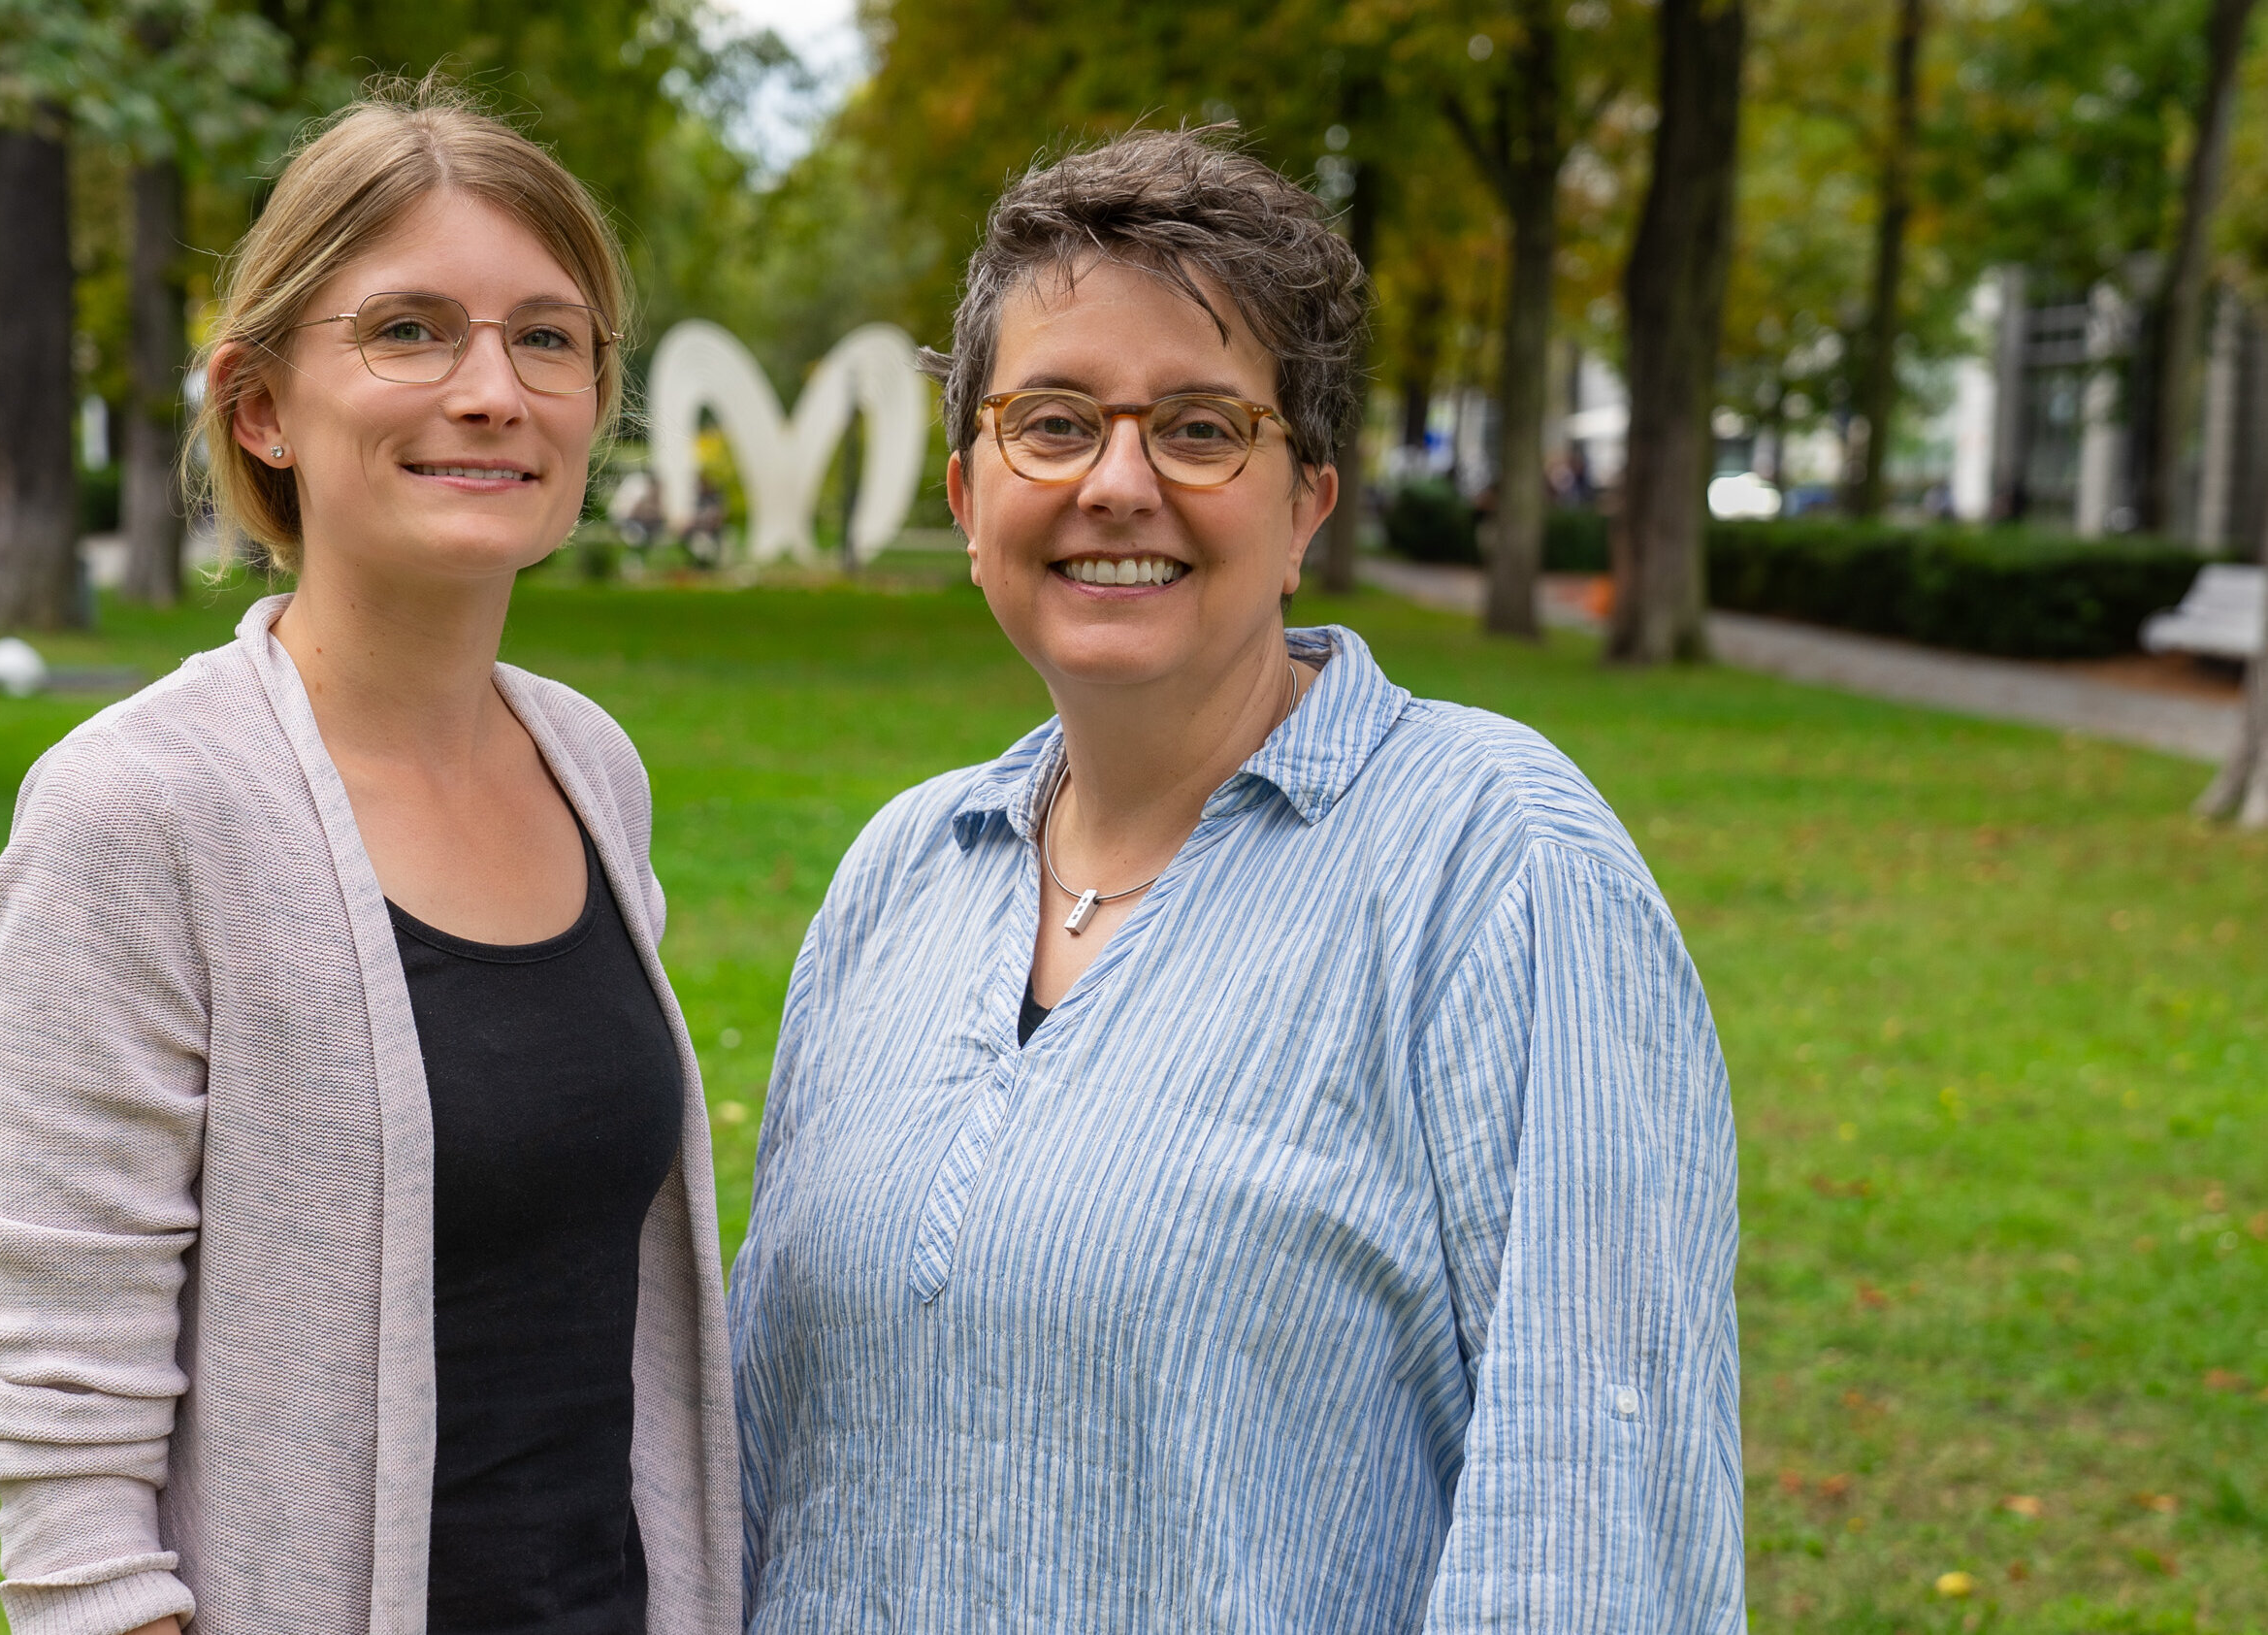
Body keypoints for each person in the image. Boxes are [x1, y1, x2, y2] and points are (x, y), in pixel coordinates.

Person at [730, 128, 1743, 1630]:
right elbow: (765, 1465)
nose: (1117, 483)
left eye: (1200, 429)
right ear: (965, 493)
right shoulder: (902, 872)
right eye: (1053, 422)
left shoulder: (1491, 857)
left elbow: (1590, 1511)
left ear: (1305, 506)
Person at [0, 85, 739, 1635]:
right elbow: (71, 1451)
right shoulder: (134, 809)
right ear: (258, 405)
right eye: (408, 330)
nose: (491, 388)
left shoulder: (591, 766)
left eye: (546, 336)